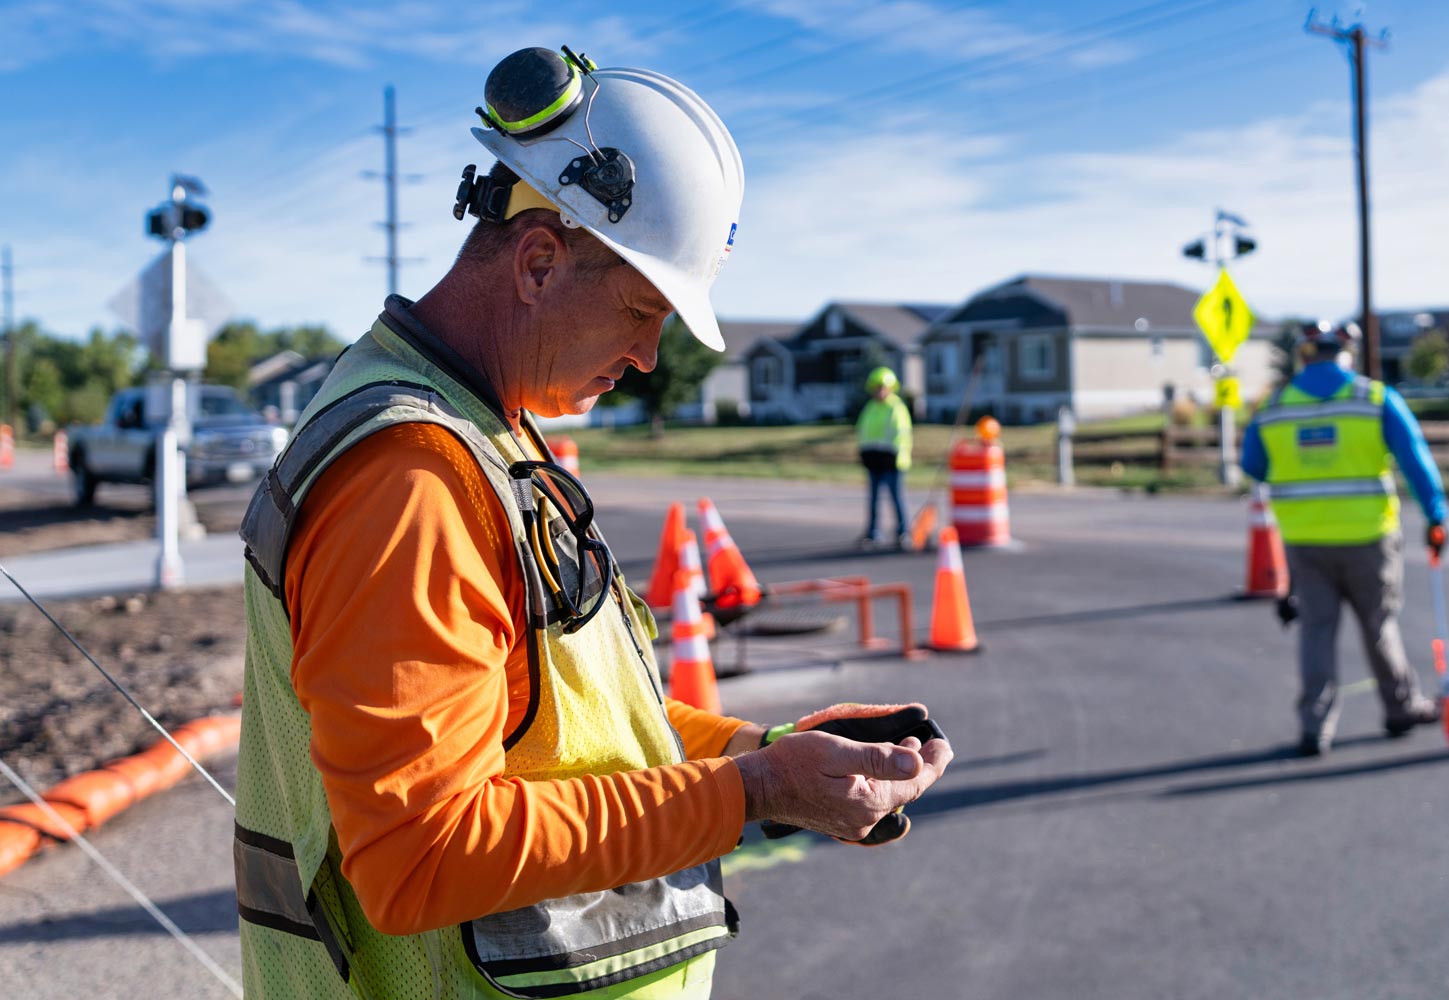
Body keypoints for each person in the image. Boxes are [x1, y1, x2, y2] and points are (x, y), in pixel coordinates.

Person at [233, 47, 951, 1000]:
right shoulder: (411, 481)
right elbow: (420, 859)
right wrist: (760, 794)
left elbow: (562, 725)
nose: (650, 356)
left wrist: (761, 754)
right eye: (641, 309)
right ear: (538, 261)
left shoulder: (483, 433)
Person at [1241, 320, 1448, 757]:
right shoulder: (1373, 398)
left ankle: (1315, 727)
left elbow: (1254, 465)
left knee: (1316, 631)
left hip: (1304, 538)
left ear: (1304, 354)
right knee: (1378, 625)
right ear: (1345, 352)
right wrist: (1435, 516)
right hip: (1368, 537)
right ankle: (1400, 707)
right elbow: (1415, 460)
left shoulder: (1275, 407)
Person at [856, 366, 914, 550]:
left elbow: (901, 435)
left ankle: (903, 532)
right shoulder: (870, 408)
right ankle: (873, 532)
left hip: (892, 462)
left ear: (890, 388)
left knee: (896, 498)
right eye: (876, 387)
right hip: (874, 460)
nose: (879, 391)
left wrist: (892, 454)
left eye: (883, 387)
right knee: (873, 499)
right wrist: (865, 453)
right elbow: (863, 432)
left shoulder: (896, 408)